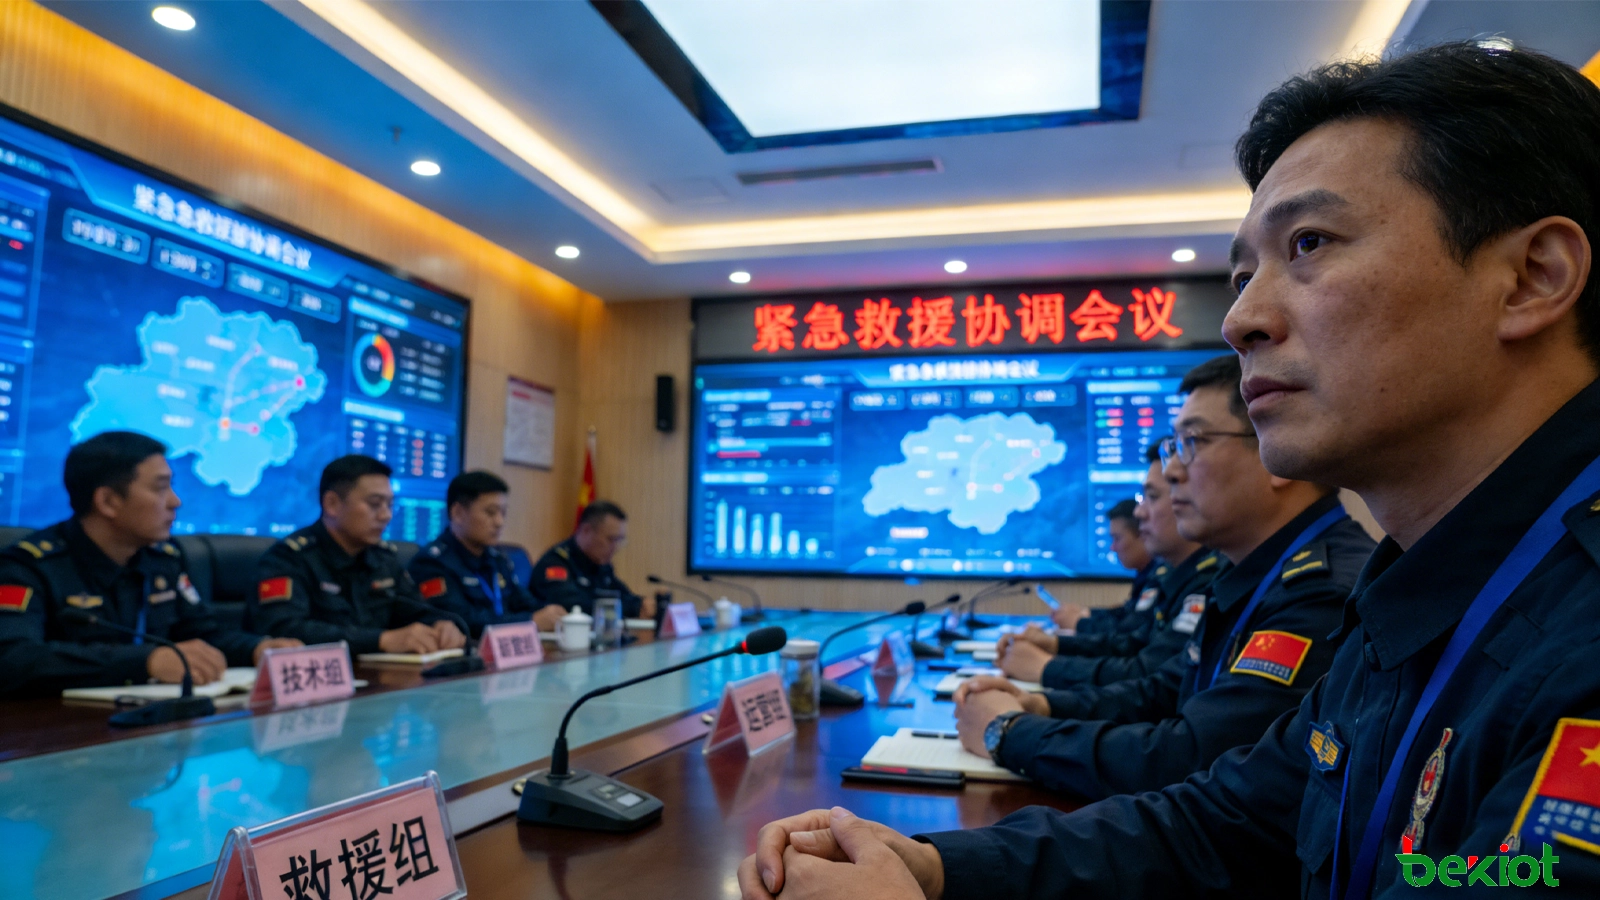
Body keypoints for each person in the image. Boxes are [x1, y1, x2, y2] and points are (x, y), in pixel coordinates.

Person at [737, 43, 1600, 898]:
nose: (1242, 319)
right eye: (1243, 274)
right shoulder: (1421, 589)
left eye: (1309, 243)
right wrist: (935, 868)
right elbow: (1229, 820)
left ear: (1531, 277)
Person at [951, 355, 1373, 799]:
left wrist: (1009, 732)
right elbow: (1167, 689)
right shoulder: (1254, 572)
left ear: (1275, 453)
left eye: (1192, 441)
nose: (1172, 471)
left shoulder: (1318, 592)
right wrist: (1043, 704)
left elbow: (1192, 757)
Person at [0, 431, 297, 697]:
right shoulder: (30, 567)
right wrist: (146, 662)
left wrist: (257, 649)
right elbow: (12, 658)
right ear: (108, 501)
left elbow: (202, 636)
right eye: (160, 489)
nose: (175, 502)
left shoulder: (162, 560)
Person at [998, 441, 1222, 687]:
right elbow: (1133, 642)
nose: (1139, 513)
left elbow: (1148, 679)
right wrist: (1056, 645)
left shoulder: (1208, 579)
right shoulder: (1173, 574)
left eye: (1152, 497)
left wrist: (1047, 669)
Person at [251, 455, 465, 655]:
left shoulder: (383, 559)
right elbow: (284, 630)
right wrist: (381, 640)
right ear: (332, 504)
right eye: (374, 504)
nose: (386, 515)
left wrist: (443, 624)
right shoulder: (289, 558)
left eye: (390, 505)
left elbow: (414, 609)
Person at [408, 470, 557, 637]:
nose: (499, 522)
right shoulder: (431, 563)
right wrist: (530, 621)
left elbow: (527, 604)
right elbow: (460, 621)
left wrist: (548, 615)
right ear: (457, 513)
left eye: (503, 513)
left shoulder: (497, 560)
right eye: (491, 512)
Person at [528, 500, 652, 618]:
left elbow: (621, 594)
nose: (616, 547)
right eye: (611, 539)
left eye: (620, 540)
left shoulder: (600, 562)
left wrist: (643, 604)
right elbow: (572, 605)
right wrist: (632, 608)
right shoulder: (555, 562)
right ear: (586, 531)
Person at [1048, 499, 1153, 632]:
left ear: (1143, 534)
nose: (1112, 547)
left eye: (1117, 538)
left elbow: (1129, 634)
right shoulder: (1147, 574)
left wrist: (1078, 623)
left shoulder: (1160, 577)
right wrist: (1087, 613)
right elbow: (1127, 613)